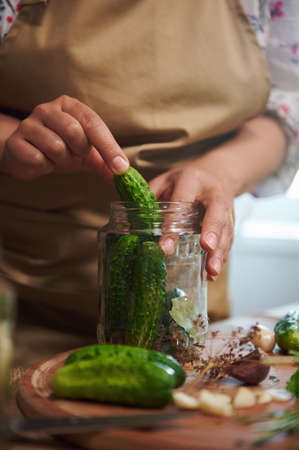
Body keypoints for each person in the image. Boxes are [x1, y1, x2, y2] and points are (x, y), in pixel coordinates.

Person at [0, 0, 298, 332]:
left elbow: (287, 109)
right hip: (20, 301)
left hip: (183, 311)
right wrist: (10, 141)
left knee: (185, 364)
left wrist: (220, 172)